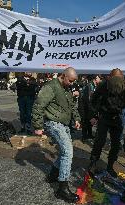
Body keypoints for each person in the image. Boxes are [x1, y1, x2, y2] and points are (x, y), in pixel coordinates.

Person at [32, 67, 81, 203]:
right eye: (70, 80)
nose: (72, 83)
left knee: (65, 152)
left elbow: (72, 106)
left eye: (73, 81)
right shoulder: (50, 86)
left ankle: (53, 175)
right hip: (53, 123)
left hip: (64, 124)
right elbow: (38, 105)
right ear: (63, 75)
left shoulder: (67, 88)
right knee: (68, 153)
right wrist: (38, 126)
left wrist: (77, 119)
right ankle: (62, 189)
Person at [89, 68, 125, 178]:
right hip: (105, 116)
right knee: (99, 141)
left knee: (116, 144)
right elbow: (94, 99)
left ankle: (110, 166)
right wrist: (94, 114)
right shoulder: (104, 85)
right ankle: (93, 163)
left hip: (117, 116)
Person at [78, 75, 102, 142]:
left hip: (89, 106)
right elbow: (88, 100)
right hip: (85, 107)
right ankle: (84, 136)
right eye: (100, 78)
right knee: (85, 121)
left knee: (89, 122)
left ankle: (89, 134)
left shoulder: (94, 86)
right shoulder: (89, 86)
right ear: (96, 78)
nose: (100, 80)